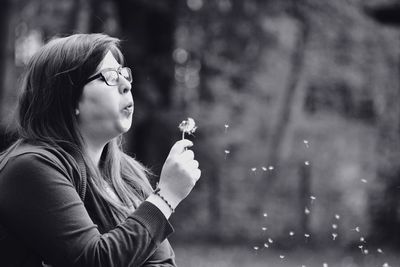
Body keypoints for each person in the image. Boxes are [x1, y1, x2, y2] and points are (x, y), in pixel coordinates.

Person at [0, 33, 201, 267]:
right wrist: (166, 197)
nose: (126, 84)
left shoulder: (127, 174)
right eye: (110, 77)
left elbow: (162, 262)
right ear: (69, 97)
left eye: (124, 74)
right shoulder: (29, 167)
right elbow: (94, 261)